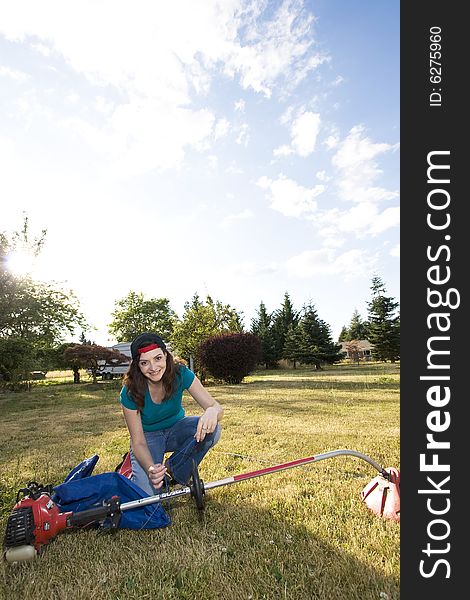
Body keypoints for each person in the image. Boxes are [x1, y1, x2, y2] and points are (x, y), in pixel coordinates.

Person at [119, 332, 223, 496]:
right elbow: (137, 441)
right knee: (146, 498)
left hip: (177, 429)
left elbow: (215, 406)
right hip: (148, 438)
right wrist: (151, 468)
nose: (153, 368)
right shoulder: (129, 391)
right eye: (145, 363)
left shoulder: (180, 373)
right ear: (137, 365)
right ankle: (134, 469)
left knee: (214, 430)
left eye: (158, 358)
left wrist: (211, 411)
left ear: (166, 355)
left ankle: (173, 471)